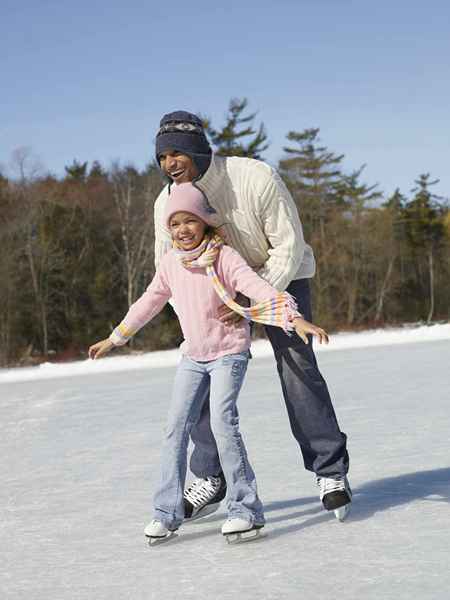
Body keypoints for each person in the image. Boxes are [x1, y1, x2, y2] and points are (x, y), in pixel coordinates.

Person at [88, 183, 329, 542]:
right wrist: (116, 337)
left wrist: (295, 319)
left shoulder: (225, 258)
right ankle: (166, 513)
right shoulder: (171, 264)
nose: (182, 230)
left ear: (204, 222)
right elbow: (149, 301)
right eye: (175, 224)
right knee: (175, 428)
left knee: (221, 422)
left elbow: (261, 290)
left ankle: (245, 509)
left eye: (189, 221)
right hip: (193, 356)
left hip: (229, 354)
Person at [152, 111, 352, 522]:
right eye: (162, 156)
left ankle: (329, 470)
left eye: (177, 153)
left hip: (281, 276)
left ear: (197, 150)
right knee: (203, 366)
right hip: (213, 291)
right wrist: (195, 309)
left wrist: (250, 298)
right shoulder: (166, 202)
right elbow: (165, 266)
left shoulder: (254, 176)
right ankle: (210, 475)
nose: (169, 163)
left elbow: (288, 244)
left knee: (296, 364)